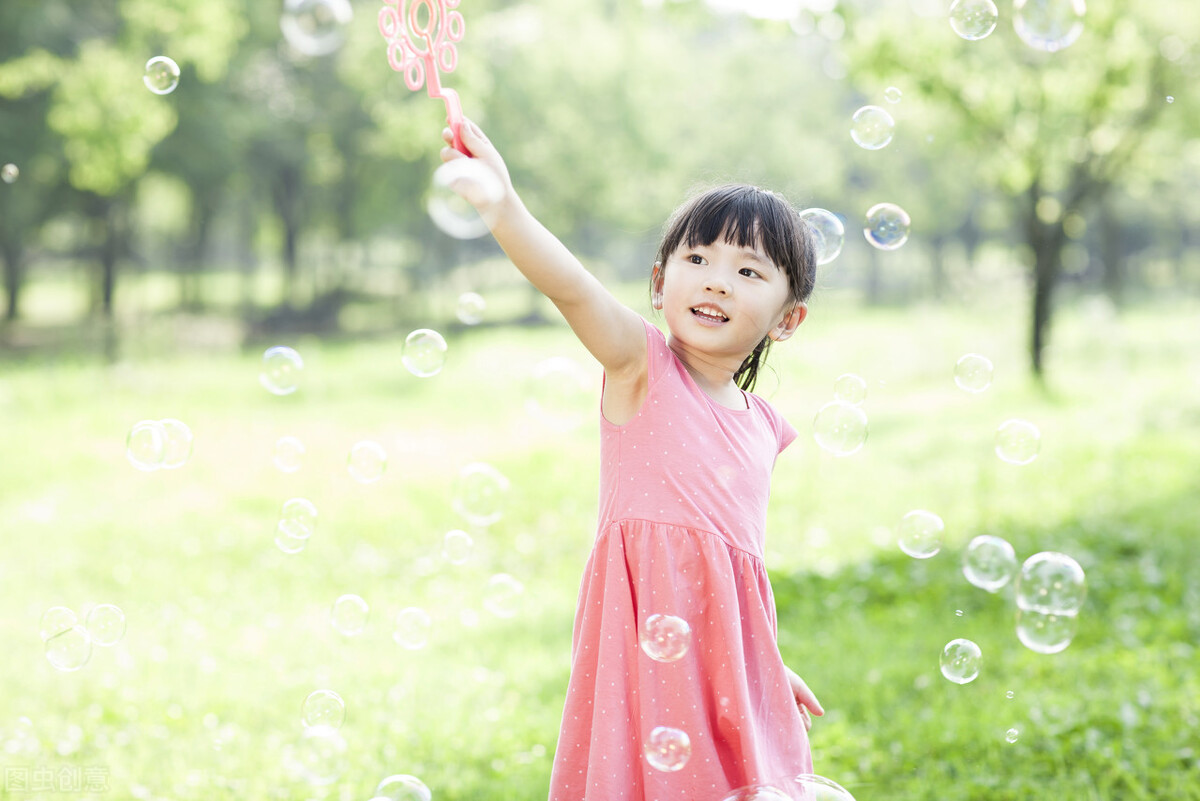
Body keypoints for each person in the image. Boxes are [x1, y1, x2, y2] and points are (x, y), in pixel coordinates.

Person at [440, 119, 824, 800]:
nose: (717, 282)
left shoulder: (764, 425)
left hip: (721, 663)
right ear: (658, 280)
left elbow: (732, 568)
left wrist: (762, 662)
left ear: (786, 319)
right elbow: (573, 288)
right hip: (643, 643)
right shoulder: (640, 366)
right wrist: (504, 206)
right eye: (697, 259)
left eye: (748, 271)